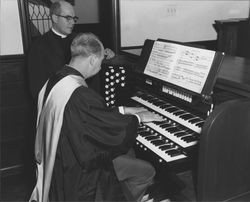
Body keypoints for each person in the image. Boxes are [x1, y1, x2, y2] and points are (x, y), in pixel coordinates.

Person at [29, 33, 164, 202]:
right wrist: (138, 118)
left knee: (129, 154)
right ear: (92, 59)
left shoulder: (56, 79)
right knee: (145, 169)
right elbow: (110, 134)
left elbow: (87, 117)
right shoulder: (79, 94)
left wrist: (123, 110)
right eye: (100, 62)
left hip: (57, 160)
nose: (100, 68)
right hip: (78, 173)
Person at [27, 0, 114, 101]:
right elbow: (37, 88)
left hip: (87, 99)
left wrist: (106, 54)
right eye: (68, 18)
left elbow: (93, 65)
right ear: (55, 18)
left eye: (74, 18)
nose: (72, 22)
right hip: (59, 103)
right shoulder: (38, 46)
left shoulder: (82, 40)